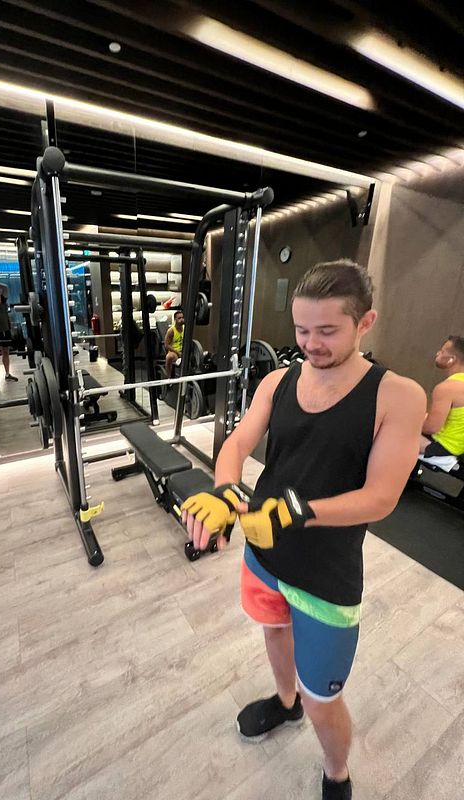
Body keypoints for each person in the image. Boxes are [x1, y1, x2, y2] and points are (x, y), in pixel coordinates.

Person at [181, 260, 426, 800]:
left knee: (323, 699)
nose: (311, 343)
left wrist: (295, 510)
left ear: (365, 323)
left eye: (327, 331)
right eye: (301, 330)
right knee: (274, 633)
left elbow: (381, 497)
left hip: (326, 575)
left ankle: (336, 771)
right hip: (263, 554)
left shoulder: (398, 396)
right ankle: (284, 702)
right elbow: (237, 442)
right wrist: (225, 490)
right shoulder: (279, 380)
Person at [419, 336, 464, 459]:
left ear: (451, 359)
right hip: (459, 447)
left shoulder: (447, 388)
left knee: (392, 432)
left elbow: (432, 428)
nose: (437, 353)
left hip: (444, 447)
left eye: (442, 351)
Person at [164, 310, 184, 377]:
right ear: (175, 319)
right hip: (174, 352)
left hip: (184, 351)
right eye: (179, 318)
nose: (181, 320)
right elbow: (166, 345)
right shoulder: (171, 331)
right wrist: (178, 353)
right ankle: (168, 378)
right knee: (169, 357)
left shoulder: (185, 328)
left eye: (182, 318)